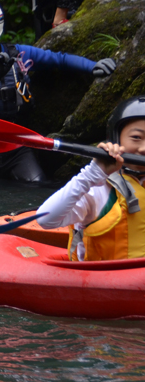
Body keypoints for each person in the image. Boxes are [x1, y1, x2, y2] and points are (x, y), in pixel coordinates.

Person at [0, 0, 116, 182]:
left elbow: (59, 59)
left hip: (17, 148)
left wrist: (92, 66)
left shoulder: (21, 55)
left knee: (37, 185)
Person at [38, 95, 145, 261]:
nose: (144, 148)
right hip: (104, 280)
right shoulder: (98, 190)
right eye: (136, 138)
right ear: (116, 139)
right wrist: (92, 174)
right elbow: (45, 219)